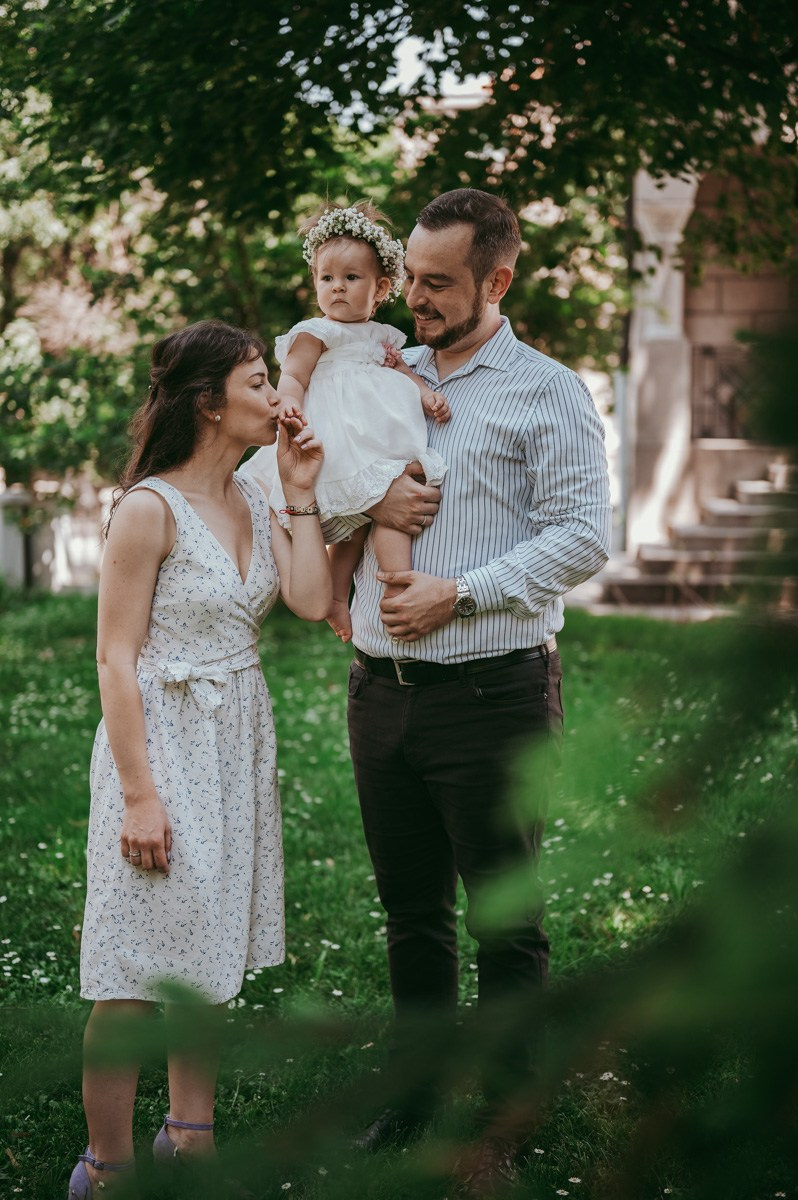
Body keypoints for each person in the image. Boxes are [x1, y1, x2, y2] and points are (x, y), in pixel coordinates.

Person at [324, 189, 612, 1198]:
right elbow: (327, 495)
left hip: (494, 694)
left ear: (498, 280)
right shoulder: (380, 372)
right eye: (411, 276)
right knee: (412, 914)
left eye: (439, 283)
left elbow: (584, 535)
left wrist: (461, 592)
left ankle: (504, 1116)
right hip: (381, 694)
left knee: (503, 920)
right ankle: (413, 1095)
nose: (416, 297)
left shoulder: (547, 391)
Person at [68, 319, 331, 1198]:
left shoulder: (258, 494)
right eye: (260, 382)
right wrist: (140, 797)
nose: (278, 396)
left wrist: (301, 490)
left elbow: (309, 599)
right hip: (162, 745)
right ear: (210, 403)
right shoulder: (148, 509)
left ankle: (191, 1140)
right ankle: (107, 1168)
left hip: (235, 744)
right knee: (131, 969)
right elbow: (114, 658)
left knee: (206, 958)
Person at [245, 200, 450, 643]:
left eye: (351, 278)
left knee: (370, 522)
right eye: (327, 278)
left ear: (380, 289)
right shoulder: (317, 331)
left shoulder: (383, 337)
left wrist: (425, 393)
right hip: (338, 438)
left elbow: (402, 371)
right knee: (361, 517)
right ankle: (349, 592)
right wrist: (289, 405)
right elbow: (294, 375)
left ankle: (390, 587)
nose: (337, 287)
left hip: (374, 439)